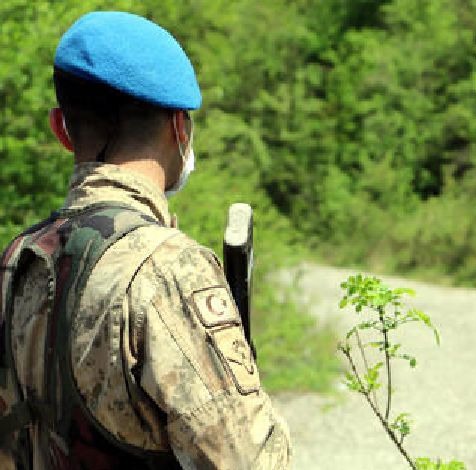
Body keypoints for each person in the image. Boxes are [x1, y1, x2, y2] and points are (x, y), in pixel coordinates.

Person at [0, 11, 291, 468]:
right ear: (180, 128)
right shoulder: (169, 269)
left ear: (61, 129)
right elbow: (249, 460)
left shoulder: (18, 260)